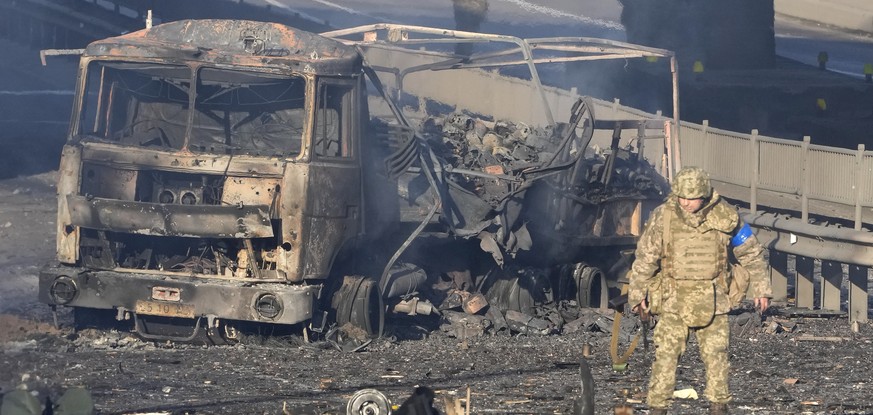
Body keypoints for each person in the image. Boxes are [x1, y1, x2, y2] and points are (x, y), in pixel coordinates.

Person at [627, 166, 772, 415]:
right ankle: (657, 409)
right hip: (673, 299)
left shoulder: (725, 216)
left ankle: (719, 408)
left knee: (717, 358)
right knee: (665, 358)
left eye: (691, 198)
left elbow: (751, 252)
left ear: (704, 196)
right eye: (682, 197)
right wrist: (637, 293)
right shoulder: (664, 216)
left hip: (713, 300)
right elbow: (646, 257)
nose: (686, 203)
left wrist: (761, 288)